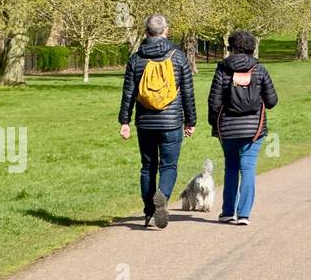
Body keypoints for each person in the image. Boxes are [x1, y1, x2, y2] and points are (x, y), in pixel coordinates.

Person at [118, 13, 196, 229]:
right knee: (169, 164)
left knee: (147, 167)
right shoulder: (179, 58)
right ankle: (162, 195)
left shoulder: (136, 59)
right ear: (166, 31)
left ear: (145, 32)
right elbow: (188, 93)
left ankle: (149, 213)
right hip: (171, 122)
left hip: (145, 123)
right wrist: (190, 121)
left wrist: (124, 121)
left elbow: (128, 93)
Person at [208, 29, 279, 223]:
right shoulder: (260, 69)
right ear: (252, 48)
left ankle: (228, 212)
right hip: (254, 128)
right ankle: (244, 213)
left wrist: (214, 123)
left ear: (231, 47)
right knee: (247, 167)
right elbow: (272, 101)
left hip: (228, 128)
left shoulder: (222, 69)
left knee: (231, 167)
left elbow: (214, 102)